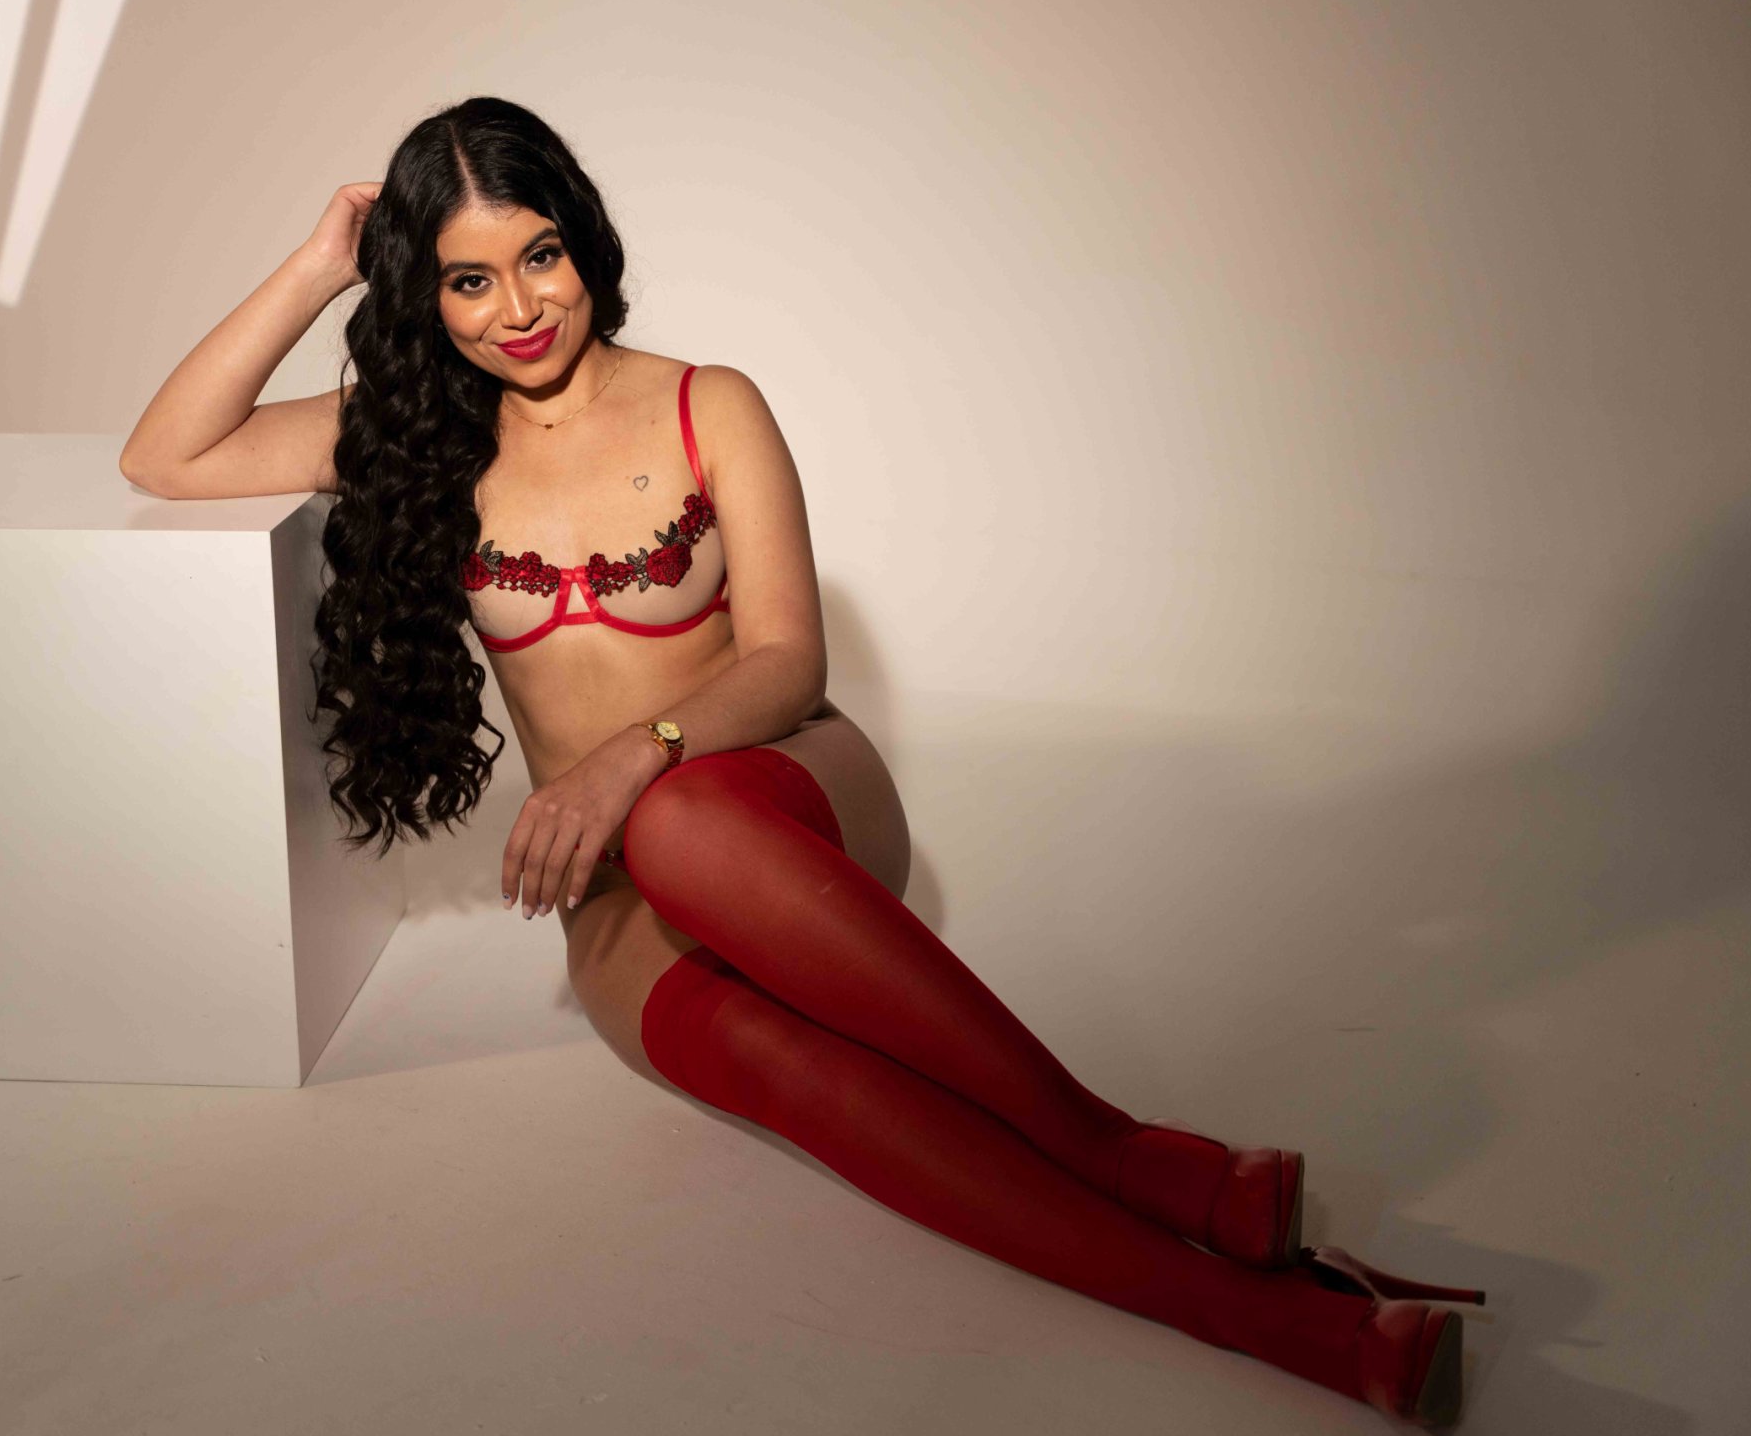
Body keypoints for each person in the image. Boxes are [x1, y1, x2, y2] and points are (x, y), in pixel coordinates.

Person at [119, 95, 1485, 1426]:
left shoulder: (707, 403)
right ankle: (1300, 1328)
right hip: (622, 900)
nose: (518, 308)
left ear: (584, 241)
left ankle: (1122, 1152)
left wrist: (627, 762)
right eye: (468, 281)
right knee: (804, 1077)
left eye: (540, 256)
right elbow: (164, 454)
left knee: (678, 821)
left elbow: (786, 662)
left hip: (783, 795)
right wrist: (320, 264)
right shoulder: (414, 440)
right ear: (426, 293)